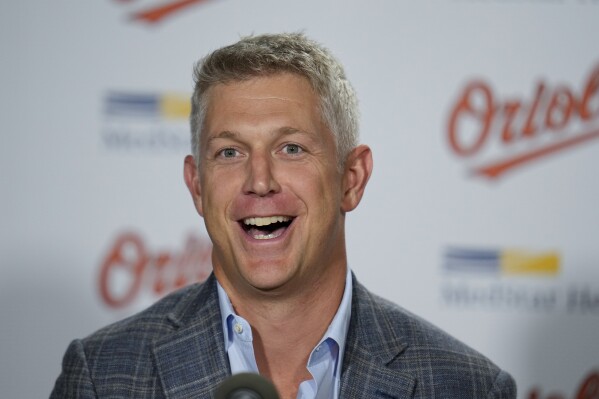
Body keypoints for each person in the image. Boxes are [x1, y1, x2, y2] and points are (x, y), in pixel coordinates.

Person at [51, 32, 516, 399]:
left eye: (291, 148)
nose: (259, 180)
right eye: (230, 152)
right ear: (196, 185)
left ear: (351, 179)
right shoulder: (103, 375)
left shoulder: (467, 385)